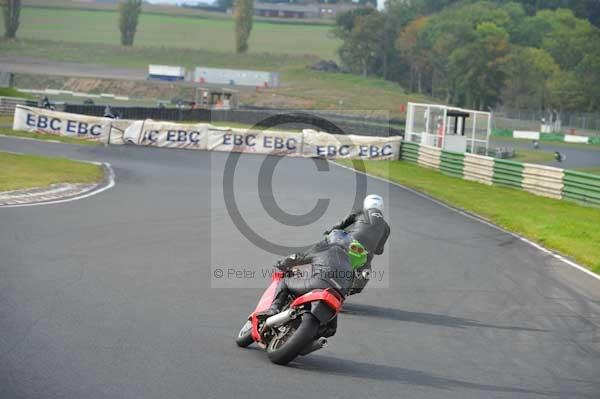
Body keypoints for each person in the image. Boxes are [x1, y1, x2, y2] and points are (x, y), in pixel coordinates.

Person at [261, 230, 368, 337]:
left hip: (318, 284)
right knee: (330, 330)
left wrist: (283, 264)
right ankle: (310, 340)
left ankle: (273, 309)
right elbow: (349, 290)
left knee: (284, 281)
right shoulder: (349, 264)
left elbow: (297, 257)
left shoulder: (325, 248)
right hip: (336, 295)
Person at [325, 194, 390, 294]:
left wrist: (329, 231)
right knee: (365, 273)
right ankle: (350, 290)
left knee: (330, 241)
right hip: (365, 254)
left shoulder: (360, 212)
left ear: (366, 203)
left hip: (349, 243)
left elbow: (341, 224)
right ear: (381, 206)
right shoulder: (386, 227)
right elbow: (379, 250)